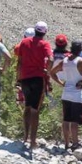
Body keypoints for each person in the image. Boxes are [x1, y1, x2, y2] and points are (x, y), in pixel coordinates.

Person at [15, 21, 53, 149]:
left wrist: (18, 78)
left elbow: (19, 62)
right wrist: (47, 70)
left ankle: (25, 137)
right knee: (35, 109)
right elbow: (51, 59)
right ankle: (33, 141)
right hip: (37, 78)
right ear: (45, 32)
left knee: (27, 106)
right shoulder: (45, 44)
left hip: (25, 78)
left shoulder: (24, 43)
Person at [50, 40, 82, 149]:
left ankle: (66, 143)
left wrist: (61, 83)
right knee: (75, 121)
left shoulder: (64, 61)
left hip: (66, 93)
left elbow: (52, 72)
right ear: (80, 50)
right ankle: (75, 142)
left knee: (66, 119)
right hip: (77, 95)